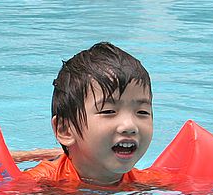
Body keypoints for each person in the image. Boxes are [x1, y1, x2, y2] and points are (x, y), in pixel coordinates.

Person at [24, 42, 154, 187]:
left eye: (142, 112)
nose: (130, 125)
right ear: (65, 130)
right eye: (108, 111)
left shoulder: (148, 183)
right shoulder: (40, 182)